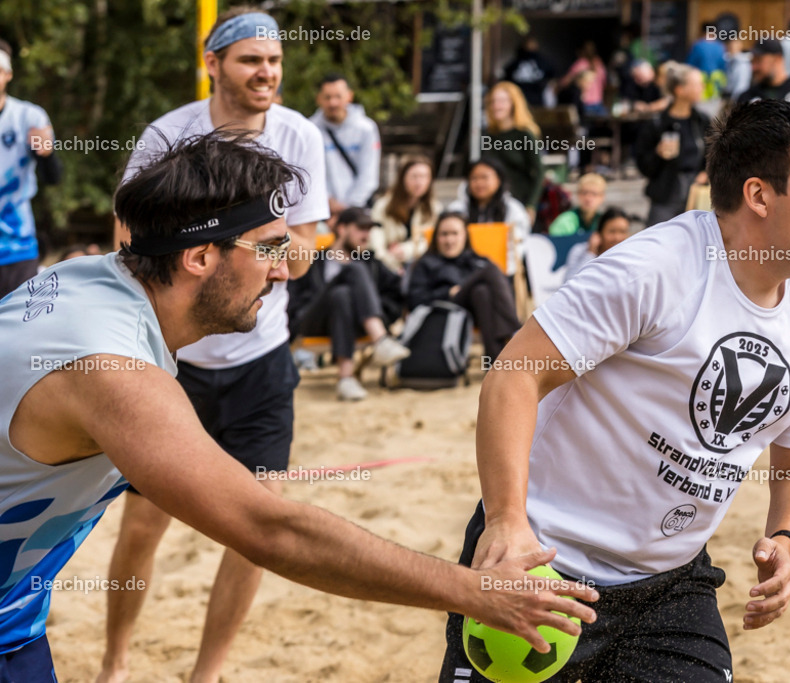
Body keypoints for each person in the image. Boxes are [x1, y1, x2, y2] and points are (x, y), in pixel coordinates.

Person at [0, 134, 597, 679]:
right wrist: (473, 591)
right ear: (200, 257)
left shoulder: (83, 279)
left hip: (15, 620)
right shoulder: (112, 369)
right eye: (268, 248)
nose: (285, 270)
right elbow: (270, 529)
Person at [438, 99, 790, 682]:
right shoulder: (655, 270)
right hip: (545, 562)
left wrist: (787, 537)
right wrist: (506, 521)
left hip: (670, 584)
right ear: (759, 196)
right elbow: (513, 373)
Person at [100, 10, 332, 682]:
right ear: (213, 63)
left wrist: (281, 255)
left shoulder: (299, 135)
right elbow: (126, 237)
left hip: (263, 360)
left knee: (256, 530)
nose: (266, 73)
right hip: (177, 365)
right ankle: (115, 664)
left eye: (275, 62)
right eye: (250, 61)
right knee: (143, 527)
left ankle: (208, 671)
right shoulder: (169, 135)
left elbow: (310, 241)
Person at [288, 208, 410, 401]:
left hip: (355, 324)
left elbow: (397, 292)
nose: (366, 235)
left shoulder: (372, 263)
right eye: (361, 228)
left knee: (341, 294)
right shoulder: (313, 260)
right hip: (313, 321)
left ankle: (346, 378)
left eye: (369, 230)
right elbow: (293, 295)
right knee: (353, 269)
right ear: (342, 229)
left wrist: (383, 314)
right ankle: (381, 340)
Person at [407, 212, 520, 361]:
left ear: (465, 236)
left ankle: (494, 363)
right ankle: (517, 331)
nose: (449, 240)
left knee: (481, 293)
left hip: (478, 310)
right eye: (444, 234)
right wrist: (446, 292)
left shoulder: (475, 260)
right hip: (445, 309)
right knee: (491, 270)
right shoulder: (426, 263)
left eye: (455, 233)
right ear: (436, 238)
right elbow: (414, 299)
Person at [0, 39, 59, 299]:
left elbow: (53, 178)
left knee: (15, 329)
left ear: (8, 74)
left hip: (17, 244)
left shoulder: (29, 117)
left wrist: (46, 154)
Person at [636, 63, 711, 225]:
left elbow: (714, 153)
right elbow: (643, 165)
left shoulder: (701, 120)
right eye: (697, 84)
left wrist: (706, 172)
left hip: (696, 194)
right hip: (665, 195)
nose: (702, 87)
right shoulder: (657, 124)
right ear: (680, 89)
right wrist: (658, 154)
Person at [446, 157, 531, 278]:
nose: (479, 183)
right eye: (474, 178)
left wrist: (500, 271)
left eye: (484, 178)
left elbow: (518, 246)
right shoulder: (456, 209)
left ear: (499, 179)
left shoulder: (513, 209)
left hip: (502, 273)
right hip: (461, 271)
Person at [310, 73, 382, 215]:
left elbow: (369, 174)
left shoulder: (366, 128)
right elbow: (308, 173)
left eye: (338, 96)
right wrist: (327, 202)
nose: (333, 103)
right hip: (321, 210)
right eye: (327, 97)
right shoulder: (309, 129)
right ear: (318, 99)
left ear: (349, 96)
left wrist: (349, 208)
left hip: (357, 210)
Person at [369, 154, 442, 273]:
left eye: (424, 177)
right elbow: (375, 240)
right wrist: (390, 262)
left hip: (422, 266)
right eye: (414, 176)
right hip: (385, 266)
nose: (419, 182)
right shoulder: (383, 206)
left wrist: (406, 250)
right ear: (402, 178)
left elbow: (431, 241)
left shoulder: (434, 208)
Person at [483, 82, 544, 219]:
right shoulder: (489, 135)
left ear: (513, 104)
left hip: (519, 201)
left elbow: (539, 172)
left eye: (502, 101)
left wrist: (531, 205)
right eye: (493, 101)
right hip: (494, 202)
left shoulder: (524, 134)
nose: (496, 106)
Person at [735, 39, 790, 109]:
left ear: (777, 59)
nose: (753, 67)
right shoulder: (746, 98)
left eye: (758, 60)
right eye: (752, 62)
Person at [563, 206, 631, 280]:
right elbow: (568, 282)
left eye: (622, 231)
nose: (617, 238)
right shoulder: (579, 250)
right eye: (612, 231)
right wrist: (590, 252)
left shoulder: (629, 257)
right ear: (600, 233)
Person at [500, 35, 556, 107]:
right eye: (528, 43)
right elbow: (507, 78)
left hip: (538, 97)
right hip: (519, 96)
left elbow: (553, 77)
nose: (530, 45)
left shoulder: (542, 61)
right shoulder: (516, 62)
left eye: (533, 43)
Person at [558, 41, 608, 117]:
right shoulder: (599, 64)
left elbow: (564, 82)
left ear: (581, 51)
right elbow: (605, 83)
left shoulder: (581, 64)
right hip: (598, 103)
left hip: (585, 104)